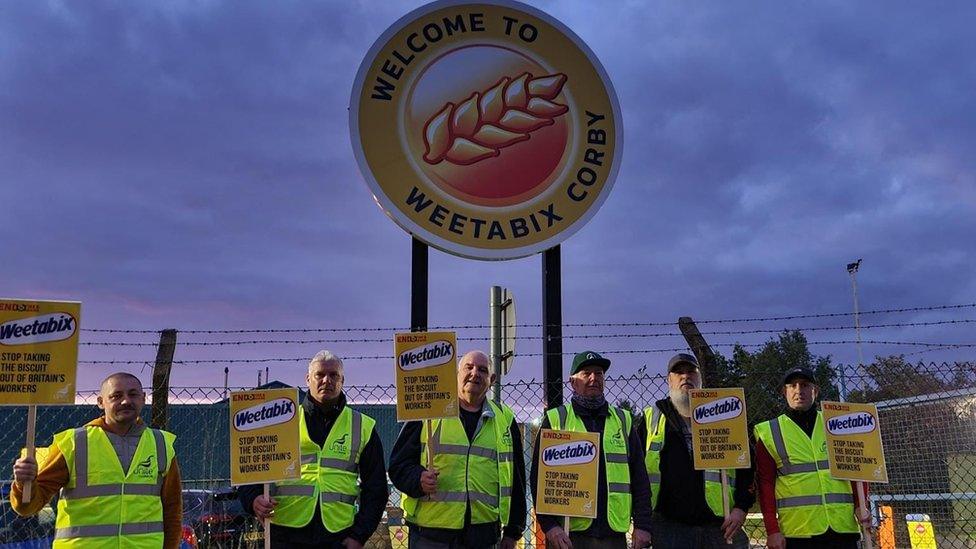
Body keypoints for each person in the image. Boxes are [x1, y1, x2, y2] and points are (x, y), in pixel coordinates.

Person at [11, 372, 182, 548]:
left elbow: (173, 512)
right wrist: (24, 484)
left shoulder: (161, 445)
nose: (125, 401)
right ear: (101, 402)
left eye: (133, 394)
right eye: (116, 396)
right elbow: (27, 507)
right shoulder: (73, 443)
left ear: (144, 398)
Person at [239, 350, 388, 549]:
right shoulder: (281, 421)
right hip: (285, 531)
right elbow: (252, 468)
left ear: (342, 380)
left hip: (338, 534)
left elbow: (376, 488)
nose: (327, 380)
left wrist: (359, 536)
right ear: (308, 379)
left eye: (333, 375)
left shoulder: (362, 426)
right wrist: (253, 499)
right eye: (320, 375)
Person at [389, 350, 526, 549]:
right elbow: (398, 465)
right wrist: (418, 479)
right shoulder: (427, 412)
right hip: (431, 534)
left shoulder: (505, 419)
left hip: (484, 536)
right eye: (468, 367)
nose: (475, 373)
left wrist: (513, 532)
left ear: (492, 379)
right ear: (456, 374)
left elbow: (517, 479)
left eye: (482, 370)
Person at [530, 351, 653, 549]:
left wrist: (643, 525)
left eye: (599, 373)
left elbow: (639, 477)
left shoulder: (623, 420)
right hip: (569, 536)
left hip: (613, 533)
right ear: (572, 381)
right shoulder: (556, 420)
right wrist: (551, 526)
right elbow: (538, 478)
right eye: (586, 373)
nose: (594, 378)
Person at [638, 353, 754, 548]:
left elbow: (748, 465)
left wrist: (741, 507)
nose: (685, 377)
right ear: (669, 380)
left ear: (700, 378)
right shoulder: (652, 417)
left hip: (720, 524)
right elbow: (636, 472)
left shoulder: (725, 412)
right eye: (679, 372)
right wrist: (642, 520)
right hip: (669, 526)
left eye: (691, 371)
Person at [754, 367, 870, 549]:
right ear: (785, 392)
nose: (799, 390)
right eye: (793, 385)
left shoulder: (837, 424)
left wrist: (860, 505)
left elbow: (856, 468)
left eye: (805, 385)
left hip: (842, 527)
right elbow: (765, 484)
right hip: (798, 531)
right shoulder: (769, 431)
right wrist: (772, 530)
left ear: (815, 390)